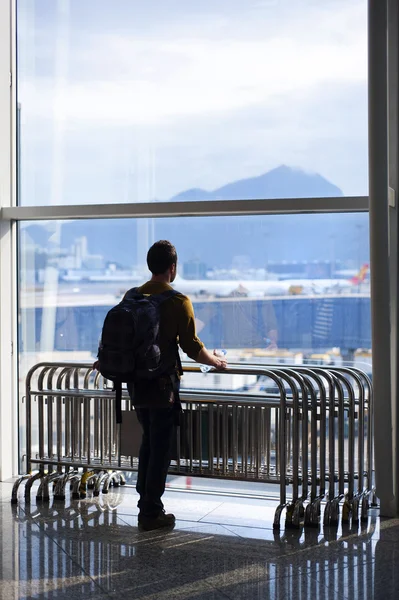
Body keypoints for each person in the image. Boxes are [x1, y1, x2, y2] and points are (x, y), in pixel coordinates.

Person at [128, 240, 227, 531]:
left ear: (150, 266)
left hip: (136, 384)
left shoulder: (132, 296)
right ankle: (150, 511)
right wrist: (216, 361)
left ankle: (145, 502)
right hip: (162, 386)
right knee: (160, 447)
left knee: (149, 441)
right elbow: (192, 347)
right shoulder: (178, 301)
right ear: (173, 268)